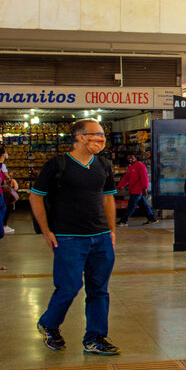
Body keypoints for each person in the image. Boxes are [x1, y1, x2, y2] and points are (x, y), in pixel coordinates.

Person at [30, 119, 121, 355]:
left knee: (99, 290)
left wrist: (111, 231)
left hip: (100, 238)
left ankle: (95, 338)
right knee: (69, 287)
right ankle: (49, 324)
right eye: (97, 135)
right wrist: (46, 231)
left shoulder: (103, 165)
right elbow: (35, 197)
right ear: (80, 137)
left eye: (103, 135)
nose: (102, 139)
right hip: (68, 238)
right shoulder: (57, 165)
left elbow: (108, 198)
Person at [116, 152, 157, 226]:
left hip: (138, 190)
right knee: (143, 205)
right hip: (133, 190)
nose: (130, 159)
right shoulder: (131, 167)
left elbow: (145, 178)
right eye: (128, 158)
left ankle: (123, 221)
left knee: (131, 206)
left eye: (131, 157)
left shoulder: (140, 166)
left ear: (135, 157)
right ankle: (152, 218)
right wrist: (119, 186)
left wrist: (144, 188)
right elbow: (126, 178)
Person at [0, 148, 19, 234]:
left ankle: (0, 225)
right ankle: (4, 226)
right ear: (3, 154)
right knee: (8, 206)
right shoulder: (1, 165)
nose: (7, 154)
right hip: (3, 189)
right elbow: (6, 177)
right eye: (6, 153)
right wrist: (11, 178)